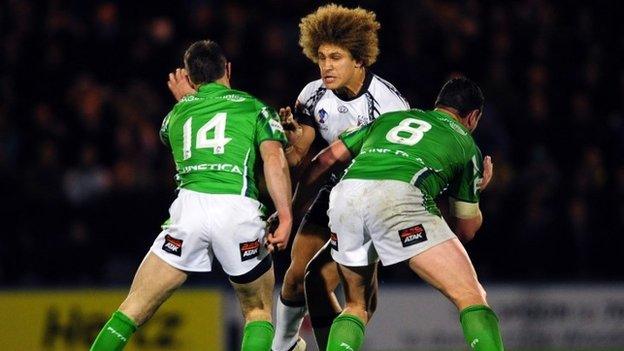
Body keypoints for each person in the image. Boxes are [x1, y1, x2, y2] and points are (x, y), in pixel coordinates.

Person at [89, 40, 293, 351]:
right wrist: (286, 215)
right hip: (237, 213)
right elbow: (275, 160)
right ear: (228, 69)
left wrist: (187, 101)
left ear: (190, 79)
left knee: (131, 309)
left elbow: (180, 132)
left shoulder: (173, 117)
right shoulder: (255, 108)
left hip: (188, 214)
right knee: (257, 312)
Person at [298, 77, 503, 351]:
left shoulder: (390, 119)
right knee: (471, 295)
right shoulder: (466, 143)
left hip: (346, 194)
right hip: (398, 196)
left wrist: (292, 207)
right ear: (473, 117)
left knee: (357, 306)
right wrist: (477, 190)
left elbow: (325, 159)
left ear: (437, 105)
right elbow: (466, 229)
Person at [273, 5, 410, 350]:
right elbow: (301, 156)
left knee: (336, 291)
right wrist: (291, 138)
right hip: (336, 191)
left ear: (360, 60)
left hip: (374, 202)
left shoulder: (389, 107)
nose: (326, 66)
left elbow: (404, 170)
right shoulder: (312, 93)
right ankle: (284, 346)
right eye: (321, 57)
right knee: (295, 280)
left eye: (336, 57)